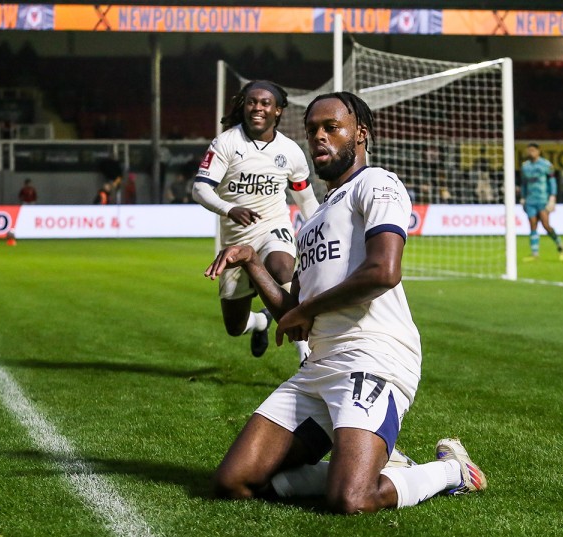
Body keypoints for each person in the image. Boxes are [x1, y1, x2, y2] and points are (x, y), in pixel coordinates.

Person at [204, 91, 486, 514]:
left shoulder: (377, 183)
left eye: (331, 127)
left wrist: (306, 310)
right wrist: (252, 263)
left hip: (374, 355)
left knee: (351, 499)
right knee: (236, 481)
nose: (318, 137)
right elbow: (293, 314)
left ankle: (452, 471)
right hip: (319, 366)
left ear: (360, 135)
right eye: (312, 129)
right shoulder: (312, 219)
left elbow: (384, 271)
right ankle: (383, 464)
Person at [193, 80, 319, 360]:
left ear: (278, 111)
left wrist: (323, 231)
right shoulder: (226, 142)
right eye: (252, 102)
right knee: (234, 327)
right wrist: (229, 209)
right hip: (235, 242)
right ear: (244, 105)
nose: (258, 108)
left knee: (281, 268)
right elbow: (199, 188)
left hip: (272, 227)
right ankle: (261, 322)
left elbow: (306, 200)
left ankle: (305, 355)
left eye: (265, 103)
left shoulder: (290, 151)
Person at [519, 143, 563, 261]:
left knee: (545, 225)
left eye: (533, 150)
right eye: (529, 150)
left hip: (542, 199)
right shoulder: (525, 166)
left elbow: (552, 181)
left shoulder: (546, 165)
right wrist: (523, 197)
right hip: (530, 200)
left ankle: (558, 242)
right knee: (532, 225)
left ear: (538, 151)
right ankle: (535, 254)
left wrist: (552, 197)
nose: (531, 152)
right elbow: (524, 184)